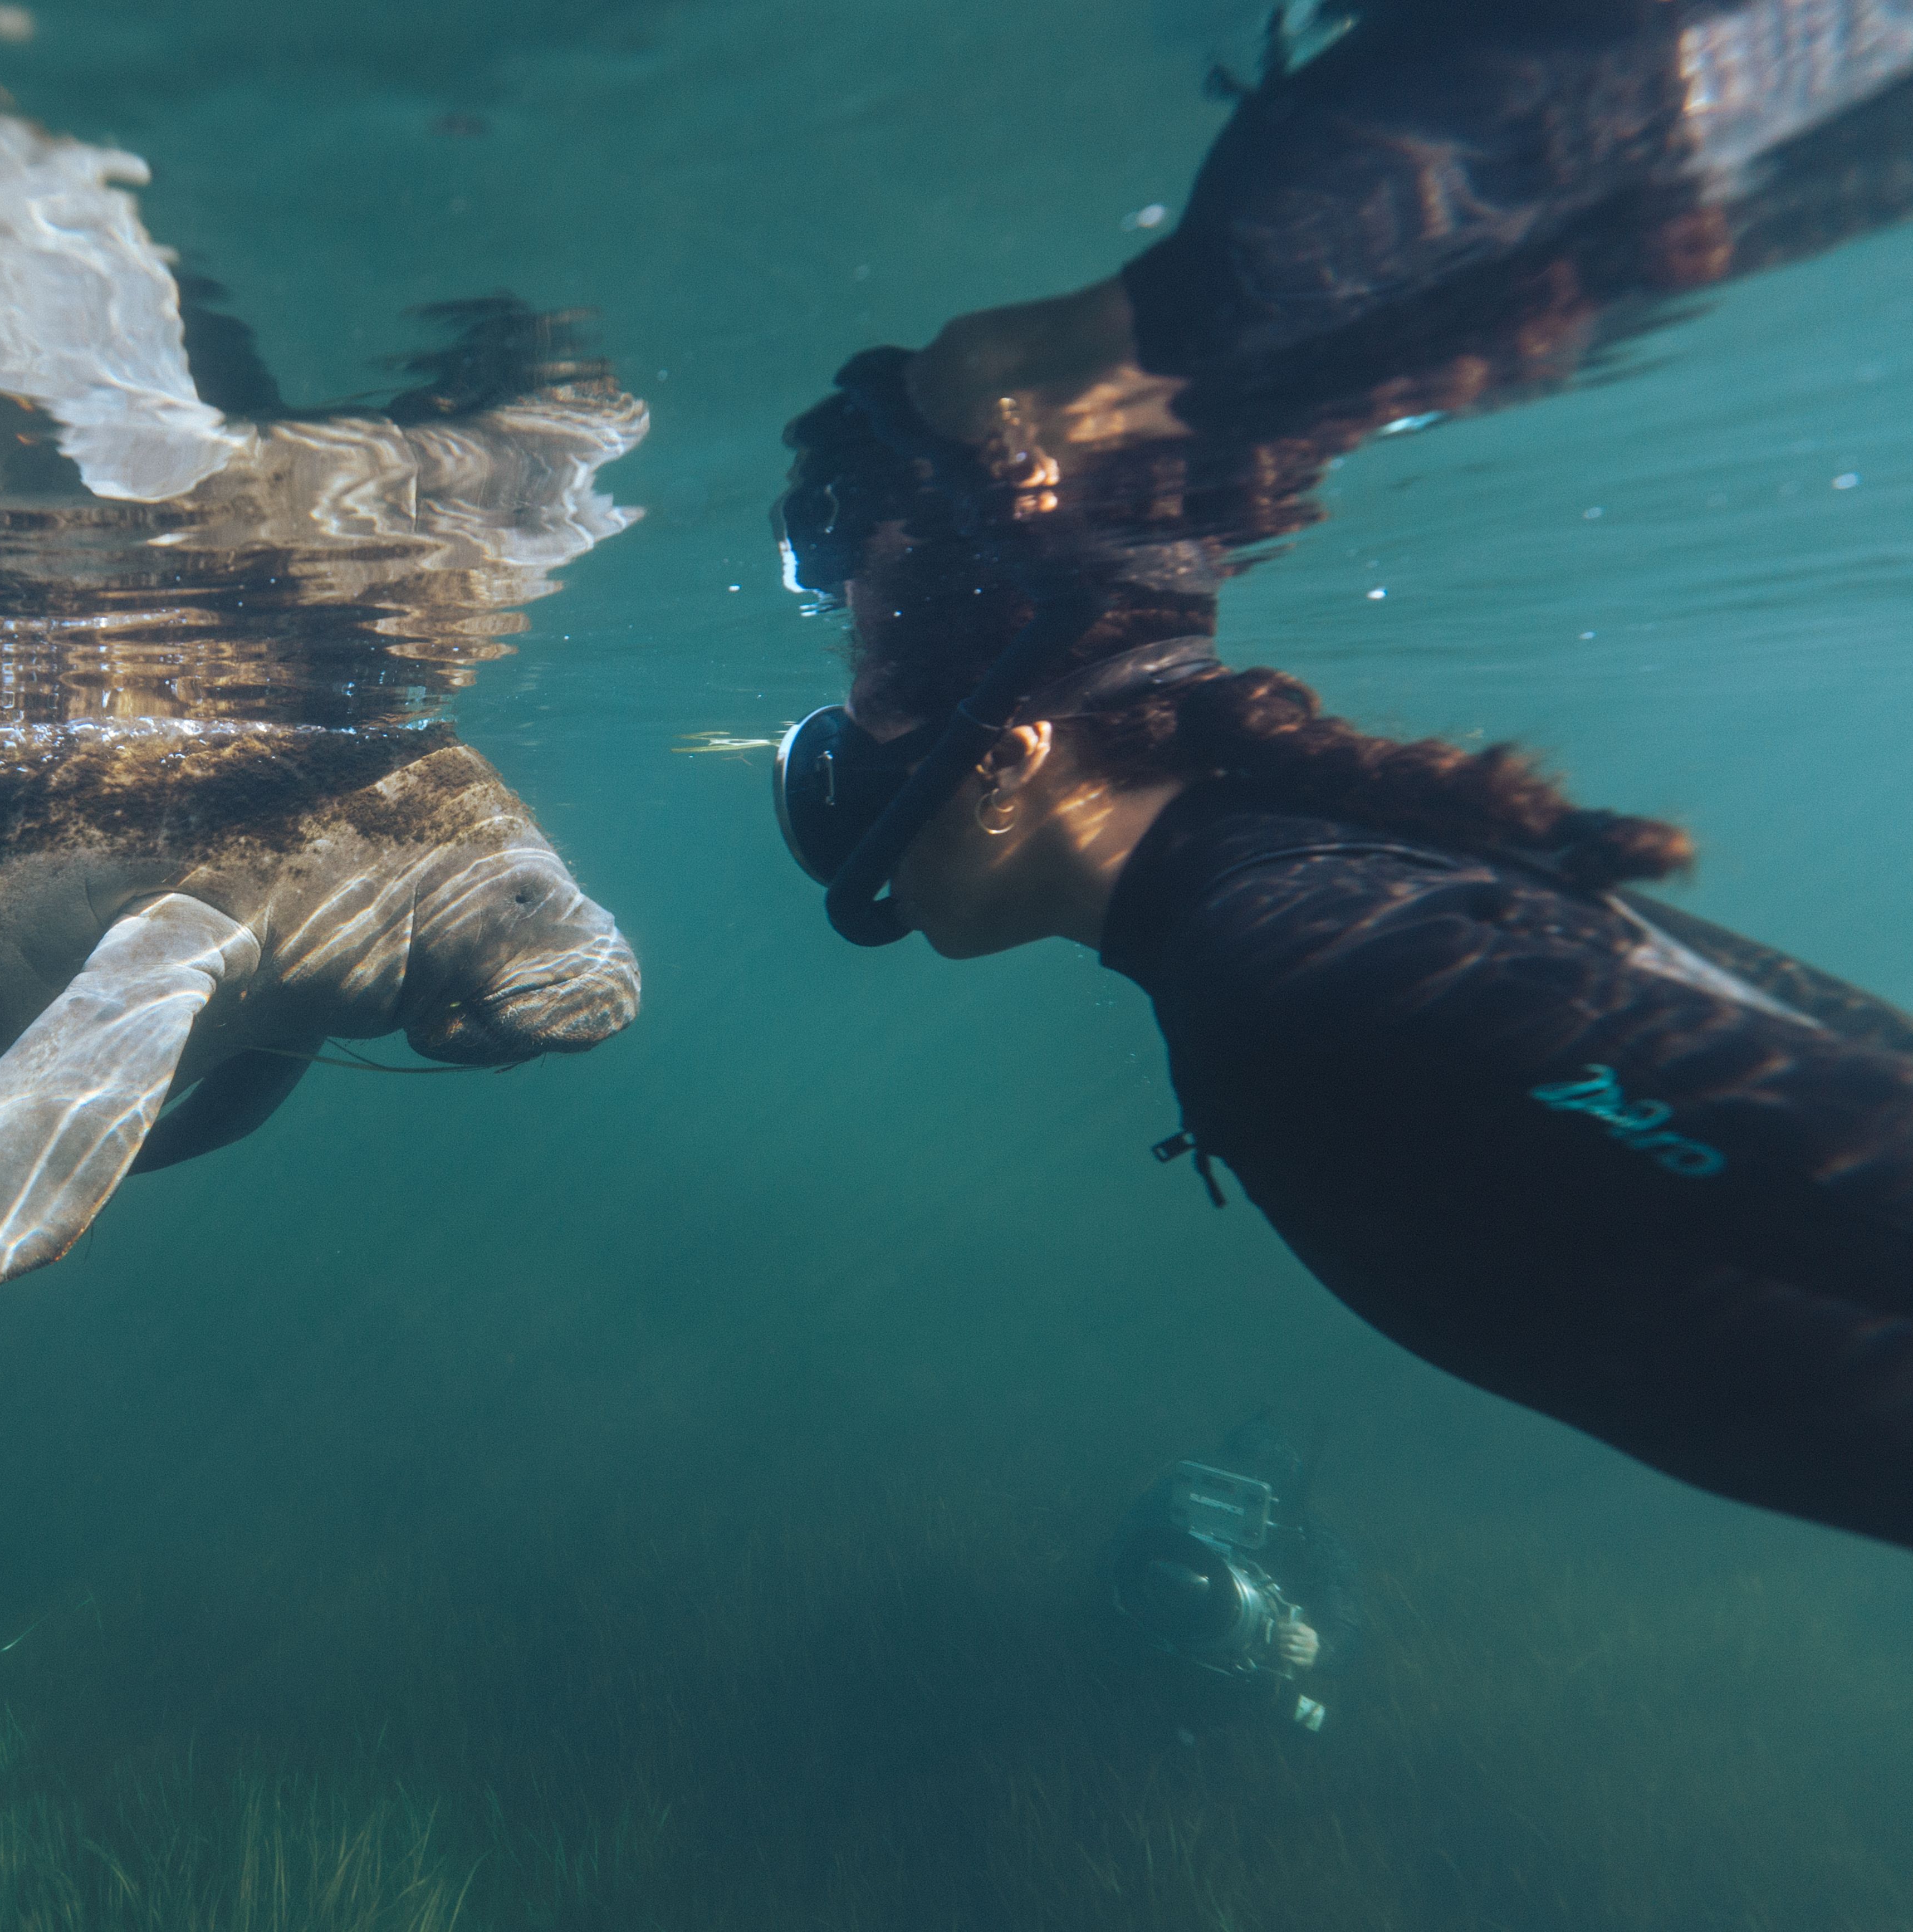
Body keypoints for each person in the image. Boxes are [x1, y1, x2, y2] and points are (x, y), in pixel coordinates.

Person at [771, 0, 1913, 1551]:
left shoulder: (1296, 963)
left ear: (1008, 759)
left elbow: (1847, 1161)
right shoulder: (1286, 917)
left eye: (854, 746)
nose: (848, 814)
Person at [1105, 1415, 1361, 1740]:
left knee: (1326, 1728)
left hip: (1244, 1686)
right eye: (1236, 1473)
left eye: (1258, 1482)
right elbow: (1115, 1559)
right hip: (1148, 1654)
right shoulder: (1174, 1504)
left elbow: (1347, 1630)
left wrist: (1316, 1647)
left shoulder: (1305, 1539)